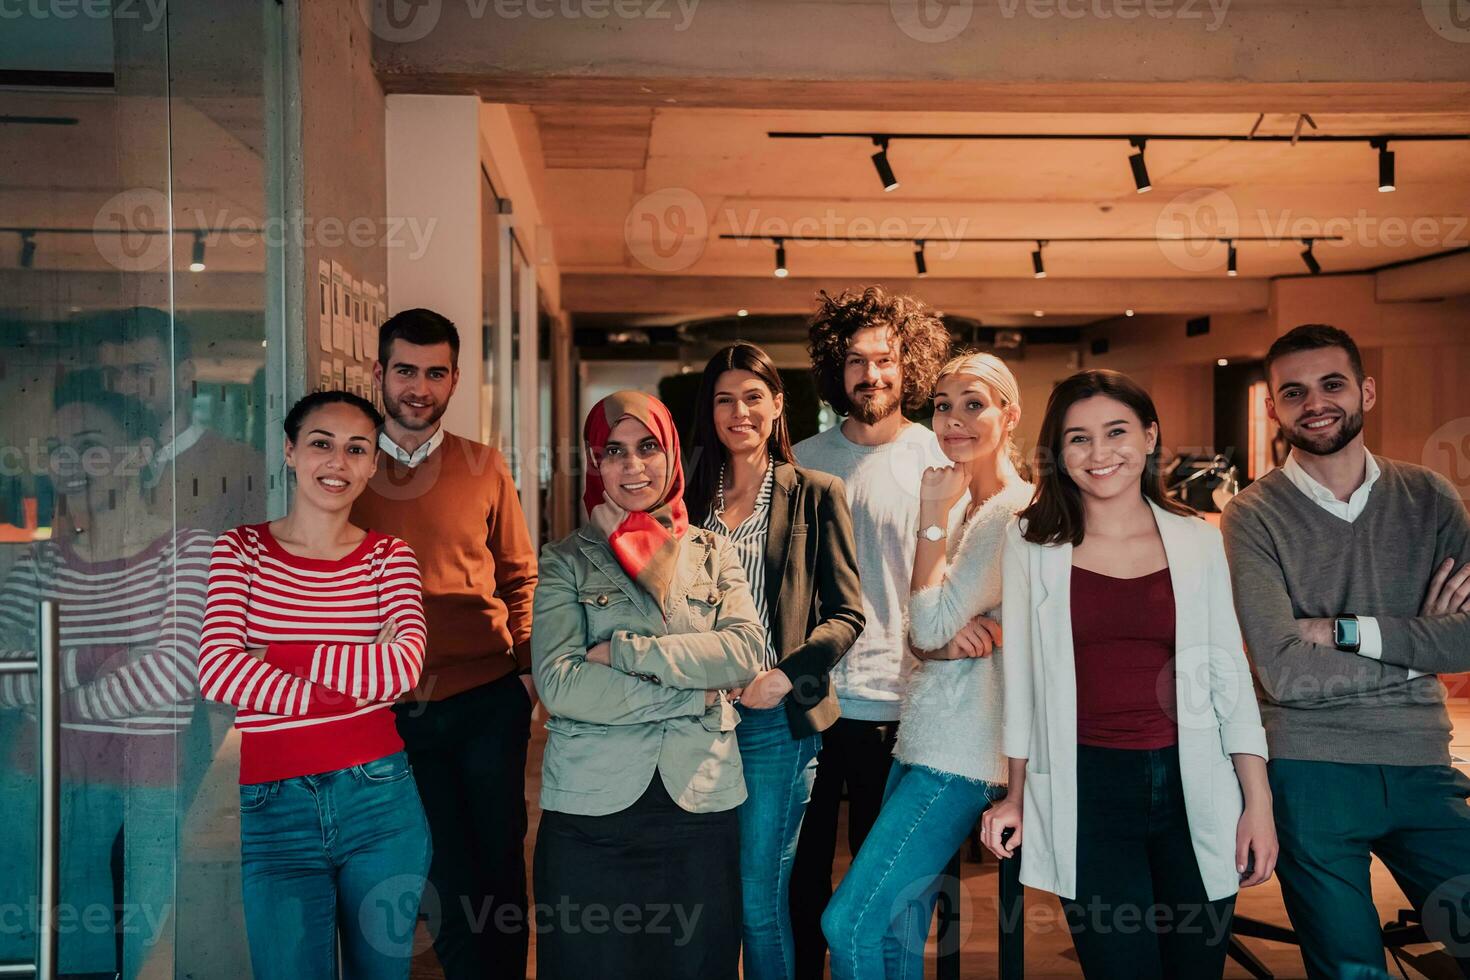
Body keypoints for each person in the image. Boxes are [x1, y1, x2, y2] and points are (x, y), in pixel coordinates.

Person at [983, 369, 1274, 980]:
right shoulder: (1031, 542)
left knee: (1196, 970)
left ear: (1148, 436)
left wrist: (1258, 803)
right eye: (1077, 438)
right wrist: (1014, 794)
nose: (1099, 453)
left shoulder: (1197, 541)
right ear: (1058, 454)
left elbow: (1229, 679)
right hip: (1086, 788)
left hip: (1194, 782)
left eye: (1116, 432)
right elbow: (1023, 682)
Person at [1220, 324, 1470, 978]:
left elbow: (1466, 640)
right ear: (1273, 408)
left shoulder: (1430, 497)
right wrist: (1422, 638)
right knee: (1352, 971)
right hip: (1311, 771)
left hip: (1423, 763)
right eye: (1294, 392)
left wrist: (1342, 630)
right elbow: (1285, 672)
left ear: (1366, 390)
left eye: (1332, 384)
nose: (1316, 402)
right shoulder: (1253, 515)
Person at [530, 390, 765, 980]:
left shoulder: (714, 553)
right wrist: (693, 690)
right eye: (614, 451)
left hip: (700, 803)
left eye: (648, 448)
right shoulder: (565, 560)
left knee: (699, 965)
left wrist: (626, 652)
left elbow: (744, 652)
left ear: (672, 455)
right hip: (591, 810)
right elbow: (560, 683)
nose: (632, 466)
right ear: (594, 462)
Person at [198, 390, 431, 979]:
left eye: (356, 449)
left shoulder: (389, 557)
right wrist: (355, 675)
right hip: (274, 807)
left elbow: (402, 670)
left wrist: (274, 653)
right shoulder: (241, 550)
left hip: (380, 801)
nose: (338, 462)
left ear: (372, 465)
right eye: (321, 444)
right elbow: (218, 670)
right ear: (290, 452)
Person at [822, 352, 1033, 980]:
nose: (954, 420)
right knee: (895, 931)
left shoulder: (1011, 513)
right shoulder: (972, 504)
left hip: (962, 755)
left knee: (850, 922)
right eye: (943, 405)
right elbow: (932, 637)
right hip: (927, 740)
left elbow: (929, 627)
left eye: (974, 404)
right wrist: (939, 637)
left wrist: (932, 522)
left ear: (1010, 415)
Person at [0, 374, 212, 978]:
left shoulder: (188, 550)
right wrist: (93, 660)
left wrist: (48, 693)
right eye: (58, 451)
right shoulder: (42, 561)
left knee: (151, 951)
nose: (69, 465)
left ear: (139, 454)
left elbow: (174, 672)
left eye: (90, 446)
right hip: (34, 781)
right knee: (47, 953)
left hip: (147, 778)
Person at [350, 308, 539, 979]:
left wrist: (524, 673)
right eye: (405, 370)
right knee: (446, 873)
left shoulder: (483, 466)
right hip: (398, 710)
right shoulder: (349, 469)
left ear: (455, 379)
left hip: (490, 699)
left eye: (435, 373)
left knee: (500, 864)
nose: (419, 387)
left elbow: (520, 577)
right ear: (380, 372)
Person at [684, 343, 865, 980]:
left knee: (759, 902)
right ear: (708, 410)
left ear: (779, 405)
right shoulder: (682, 497)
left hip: (772, 725)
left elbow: (847, 615)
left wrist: (786, 677)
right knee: (704, 900)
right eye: (725, 399)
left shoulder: (816, 493)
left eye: (754, 397)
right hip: (690, 722)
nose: (740, 412)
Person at [788, 285, 953, 979]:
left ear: (908, 364)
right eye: (855, 362)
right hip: (811, 700)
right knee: (800, 880)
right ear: (836, 370)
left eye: (885, 359)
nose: (871, 375)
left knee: (888, 895)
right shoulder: (799, 458)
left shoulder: (936, 456)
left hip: (903, 705)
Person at [91, 305, 266, 533]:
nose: (124, 387)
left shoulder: (241, 466)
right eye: (112, 375)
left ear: (184, 376)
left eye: (142, 371)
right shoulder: (93, 463)